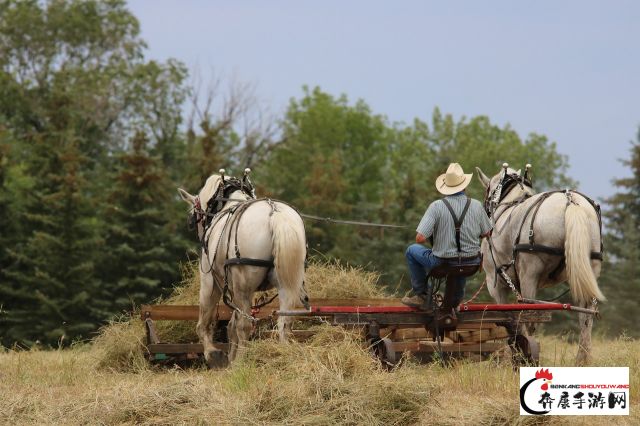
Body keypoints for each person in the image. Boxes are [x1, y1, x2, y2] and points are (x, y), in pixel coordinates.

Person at [402, 163, 492, 309]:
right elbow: (488, 233)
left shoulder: (436, 206)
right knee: (460, 264)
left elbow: (420, 238)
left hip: (443, 263)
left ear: (446, 187)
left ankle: (423, 295)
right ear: (464, 186)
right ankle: (454, 302)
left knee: (412, 250)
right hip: (471, 263)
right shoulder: (476, 205)